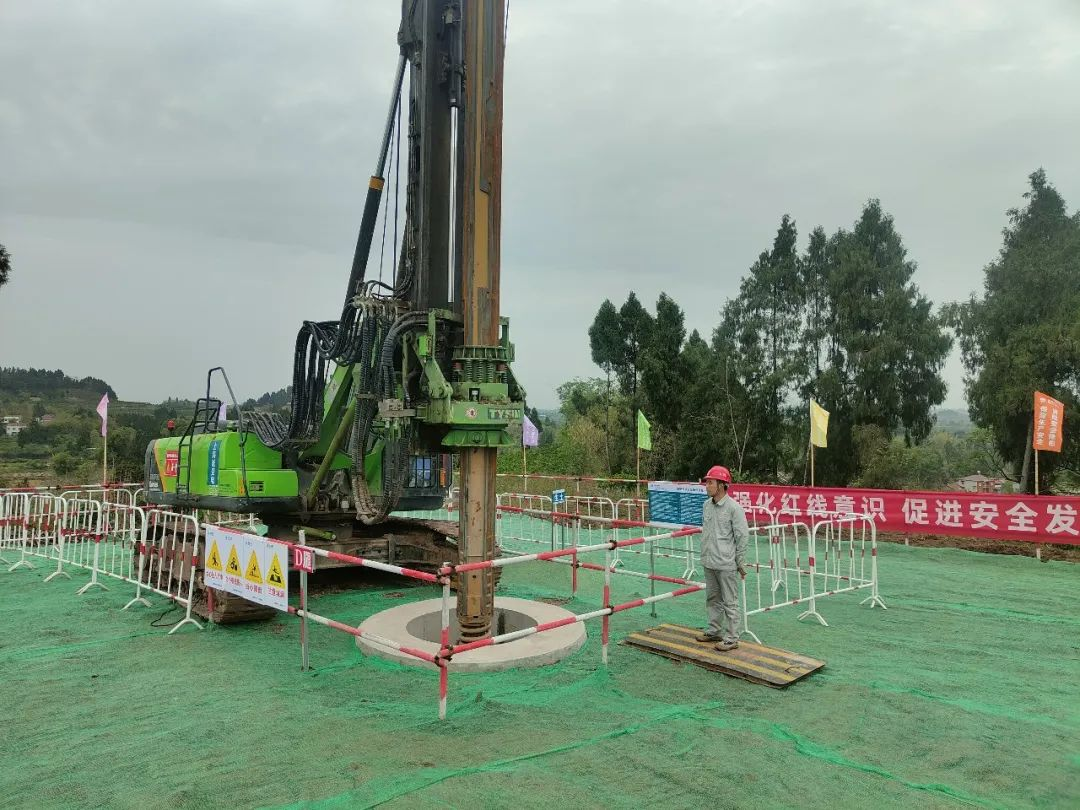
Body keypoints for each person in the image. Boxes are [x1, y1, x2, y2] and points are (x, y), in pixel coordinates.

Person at [696, 465, 749, 651]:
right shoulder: (706, 506)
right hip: (709, 561)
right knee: (712, 598)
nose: (707, 486)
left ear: (721, 485)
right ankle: (714, 631)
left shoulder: (734, 508)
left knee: (730, 601)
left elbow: (742, 536)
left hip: (726, 564)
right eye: (707, 482)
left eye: (710, 482)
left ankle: (732, 638)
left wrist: (740, 562)